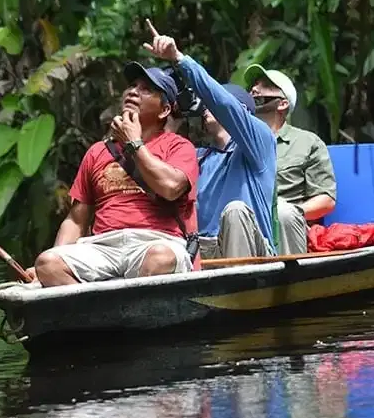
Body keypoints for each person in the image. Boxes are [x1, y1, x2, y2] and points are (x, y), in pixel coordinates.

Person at [26, 63, 199, 286]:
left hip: (156, 242)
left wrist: (133, 143)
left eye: (147, 89)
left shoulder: (179, 147)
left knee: (159, 258)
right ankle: (95, 316)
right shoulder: (97, 152)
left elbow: (170, 187)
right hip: (102, 246)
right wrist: (49, 268)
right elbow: (77, 220)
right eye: (133, 86)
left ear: (164, 110)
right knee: (47, 263)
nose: (134, 91)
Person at [142, 20, 278, 260]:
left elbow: (223, 104)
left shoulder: (259, 143)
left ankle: (240, 293)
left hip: (253, 253)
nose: (206, 107)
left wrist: (179, 59)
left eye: (211, 104)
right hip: (205, 248)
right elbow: (158, 166)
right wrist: (173, 111)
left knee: (235, 211)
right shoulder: (199, 156)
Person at [243, 64, 337, 255]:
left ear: (282, 103)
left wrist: (290, 212)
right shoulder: (238, 142)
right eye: (254, 85)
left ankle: (289, 282)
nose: (254, 89)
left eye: (265, 85)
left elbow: (326, 200)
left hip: (287, 225)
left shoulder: (307, 142)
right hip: (248, 223)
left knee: (283, 213)